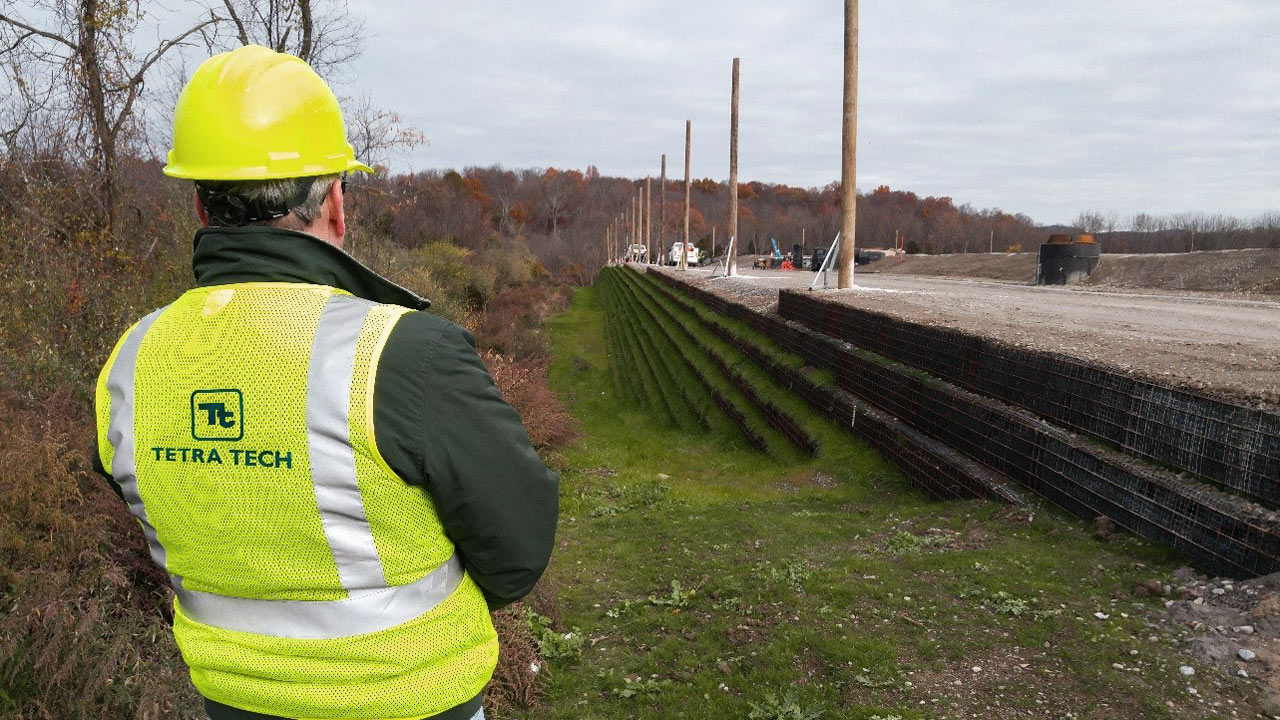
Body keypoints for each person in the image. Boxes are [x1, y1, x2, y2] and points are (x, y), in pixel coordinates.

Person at [93, 45, 558, 720]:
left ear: (199, 206)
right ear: (336, 201)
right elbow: (517, 556)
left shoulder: (130, 364)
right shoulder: (405, 354)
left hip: (230, 704)